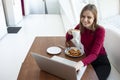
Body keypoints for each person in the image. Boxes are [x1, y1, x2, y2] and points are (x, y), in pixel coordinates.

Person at [66, 4, 111, 80]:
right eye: (83, 16)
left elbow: (94, 54)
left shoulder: (100, 30)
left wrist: (81, 63)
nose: (85, 20)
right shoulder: (80, 26)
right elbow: (68, 38)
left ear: (94, 18)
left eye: (89, 17)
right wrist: (69, 32)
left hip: (100, 63)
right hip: (88, 60)